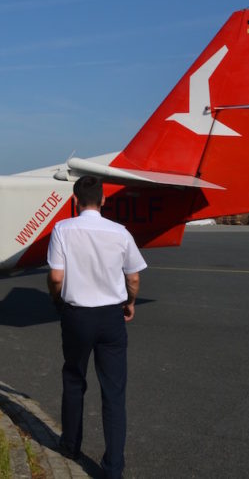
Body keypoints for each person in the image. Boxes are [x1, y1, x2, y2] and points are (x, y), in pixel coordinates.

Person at [46, 176, 147, 479]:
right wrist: (129, 302)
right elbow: (133, 278)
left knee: (74, 380)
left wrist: (59, 303)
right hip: (110, 318)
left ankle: (71, 445)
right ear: (104, 200)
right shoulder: (120, 233)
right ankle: (113, 467)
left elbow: (55, 278)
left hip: (77, 315)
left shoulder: (63, 229)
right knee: (113, 392)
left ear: (75, 201)